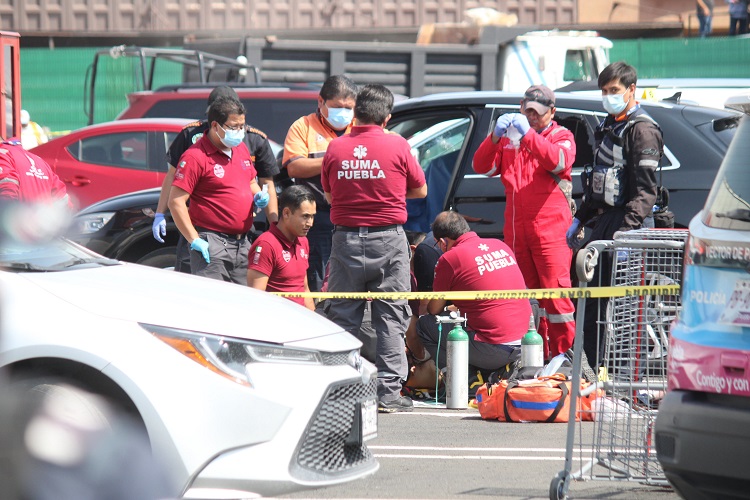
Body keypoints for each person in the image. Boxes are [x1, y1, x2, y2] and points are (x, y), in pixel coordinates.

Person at [321, 83, 427, 413]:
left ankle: (341, 389)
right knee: (391, 317)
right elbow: (420, 190)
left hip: (346, 240)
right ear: (387, 118)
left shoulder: (336, 147)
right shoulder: (398, 145)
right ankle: (388, 393)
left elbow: (328, 195)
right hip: (389, 240)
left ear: (357, 113)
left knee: (342, 316)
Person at [566, 61, 664, 365]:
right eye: (604, 91)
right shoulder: (609, 125)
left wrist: (627, 233)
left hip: (631, 227)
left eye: (614, 90)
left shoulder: (643, 130)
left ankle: (624, 379)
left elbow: (646, 192)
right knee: (590, 300)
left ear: (631, 89)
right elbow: (599, 179)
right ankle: (601, 374)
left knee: (626, 309)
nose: (608, 96)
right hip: (605, 222)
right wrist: (580, 217)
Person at [472, 84, 576, 359]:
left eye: (537, 112)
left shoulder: (561, 135)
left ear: (552, 112)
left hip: (551, 229)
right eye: (526, 110)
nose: (530, 116)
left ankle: (563, 359)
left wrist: (528, 135)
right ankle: (534, 358)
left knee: (555, 296)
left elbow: (559, 162)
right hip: (517, 231)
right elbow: (482, 166)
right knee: (526, 299)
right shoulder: (509, 139)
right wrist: (494, 137)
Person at [152, 86, 280, 273]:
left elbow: (253, 181)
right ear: (214, 124)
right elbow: (175, 194)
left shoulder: (243, 146)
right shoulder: (194, 149)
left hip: (242, 241)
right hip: (211, 241)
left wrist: (259, 195)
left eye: (241, 126)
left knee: (243, 299)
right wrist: (163, 216)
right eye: (233, 127)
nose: (239, 132)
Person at [416, 211, 532, 378]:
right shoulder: (501, 245)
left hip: (494, 348)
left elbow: (434, 309)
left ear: (442, 242)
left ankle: (463, 381)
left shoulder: (450, 258)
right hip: (527, 342)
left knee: (425, 325)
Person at [282, 74, 358, 292]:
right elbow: (295, 167)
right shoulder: (303, 127)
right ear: (321, 102)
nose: (343, 112)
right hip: (317, 218)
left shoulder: (359, 127)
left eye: (348, 107)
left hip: (352, 216)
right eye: (337, 106)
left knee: (350, 275)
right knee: (316, 274)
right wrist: (333, 158)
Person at [248, 185, 315, 310]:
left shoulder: (303, 241)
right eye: (305, 216)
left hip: (302, 321)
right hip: (277, 322)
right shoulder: (266, 245)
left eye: (312, 216)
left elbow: (304, 288)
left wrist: (315, 320)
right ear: (286, 213)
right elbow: (255, 299)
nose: (310, 223)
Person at [0, 139, 69, 206]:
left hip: (16, 216)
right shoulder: (39, 160)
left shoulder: (2, 154)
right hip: (43, 216)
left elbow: (6, 192)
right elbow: (63, 201)